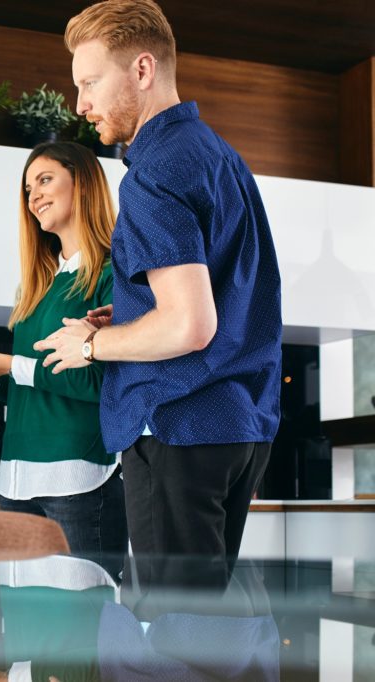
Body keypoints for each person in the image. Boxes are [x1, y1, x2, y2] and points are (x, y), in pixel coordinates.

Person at [36, 0, 282, 578]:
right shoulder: (218, 156)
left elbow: (188, 325)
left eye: (90, 82)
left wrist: (90, 348)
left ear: (142, 70)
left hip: (177, 421)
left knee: (173, 632)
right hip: (237, 423)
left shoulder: (152, 172)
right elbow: (218, 291)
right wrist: (125, 313)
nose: (81, 104)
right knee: (210, 625)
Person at [0, 142, 126, 577]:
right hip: (16, 481)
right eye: (27, 187)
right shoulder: (39, 289)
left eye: (45, 179)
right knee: (23, 625)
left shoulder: (114, 277)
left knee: (82, 629)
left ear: (83, 183)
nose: (33, 194)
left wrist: (7, 363)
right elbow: (34, 389)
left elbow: (107, 384)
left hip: (77, 479)